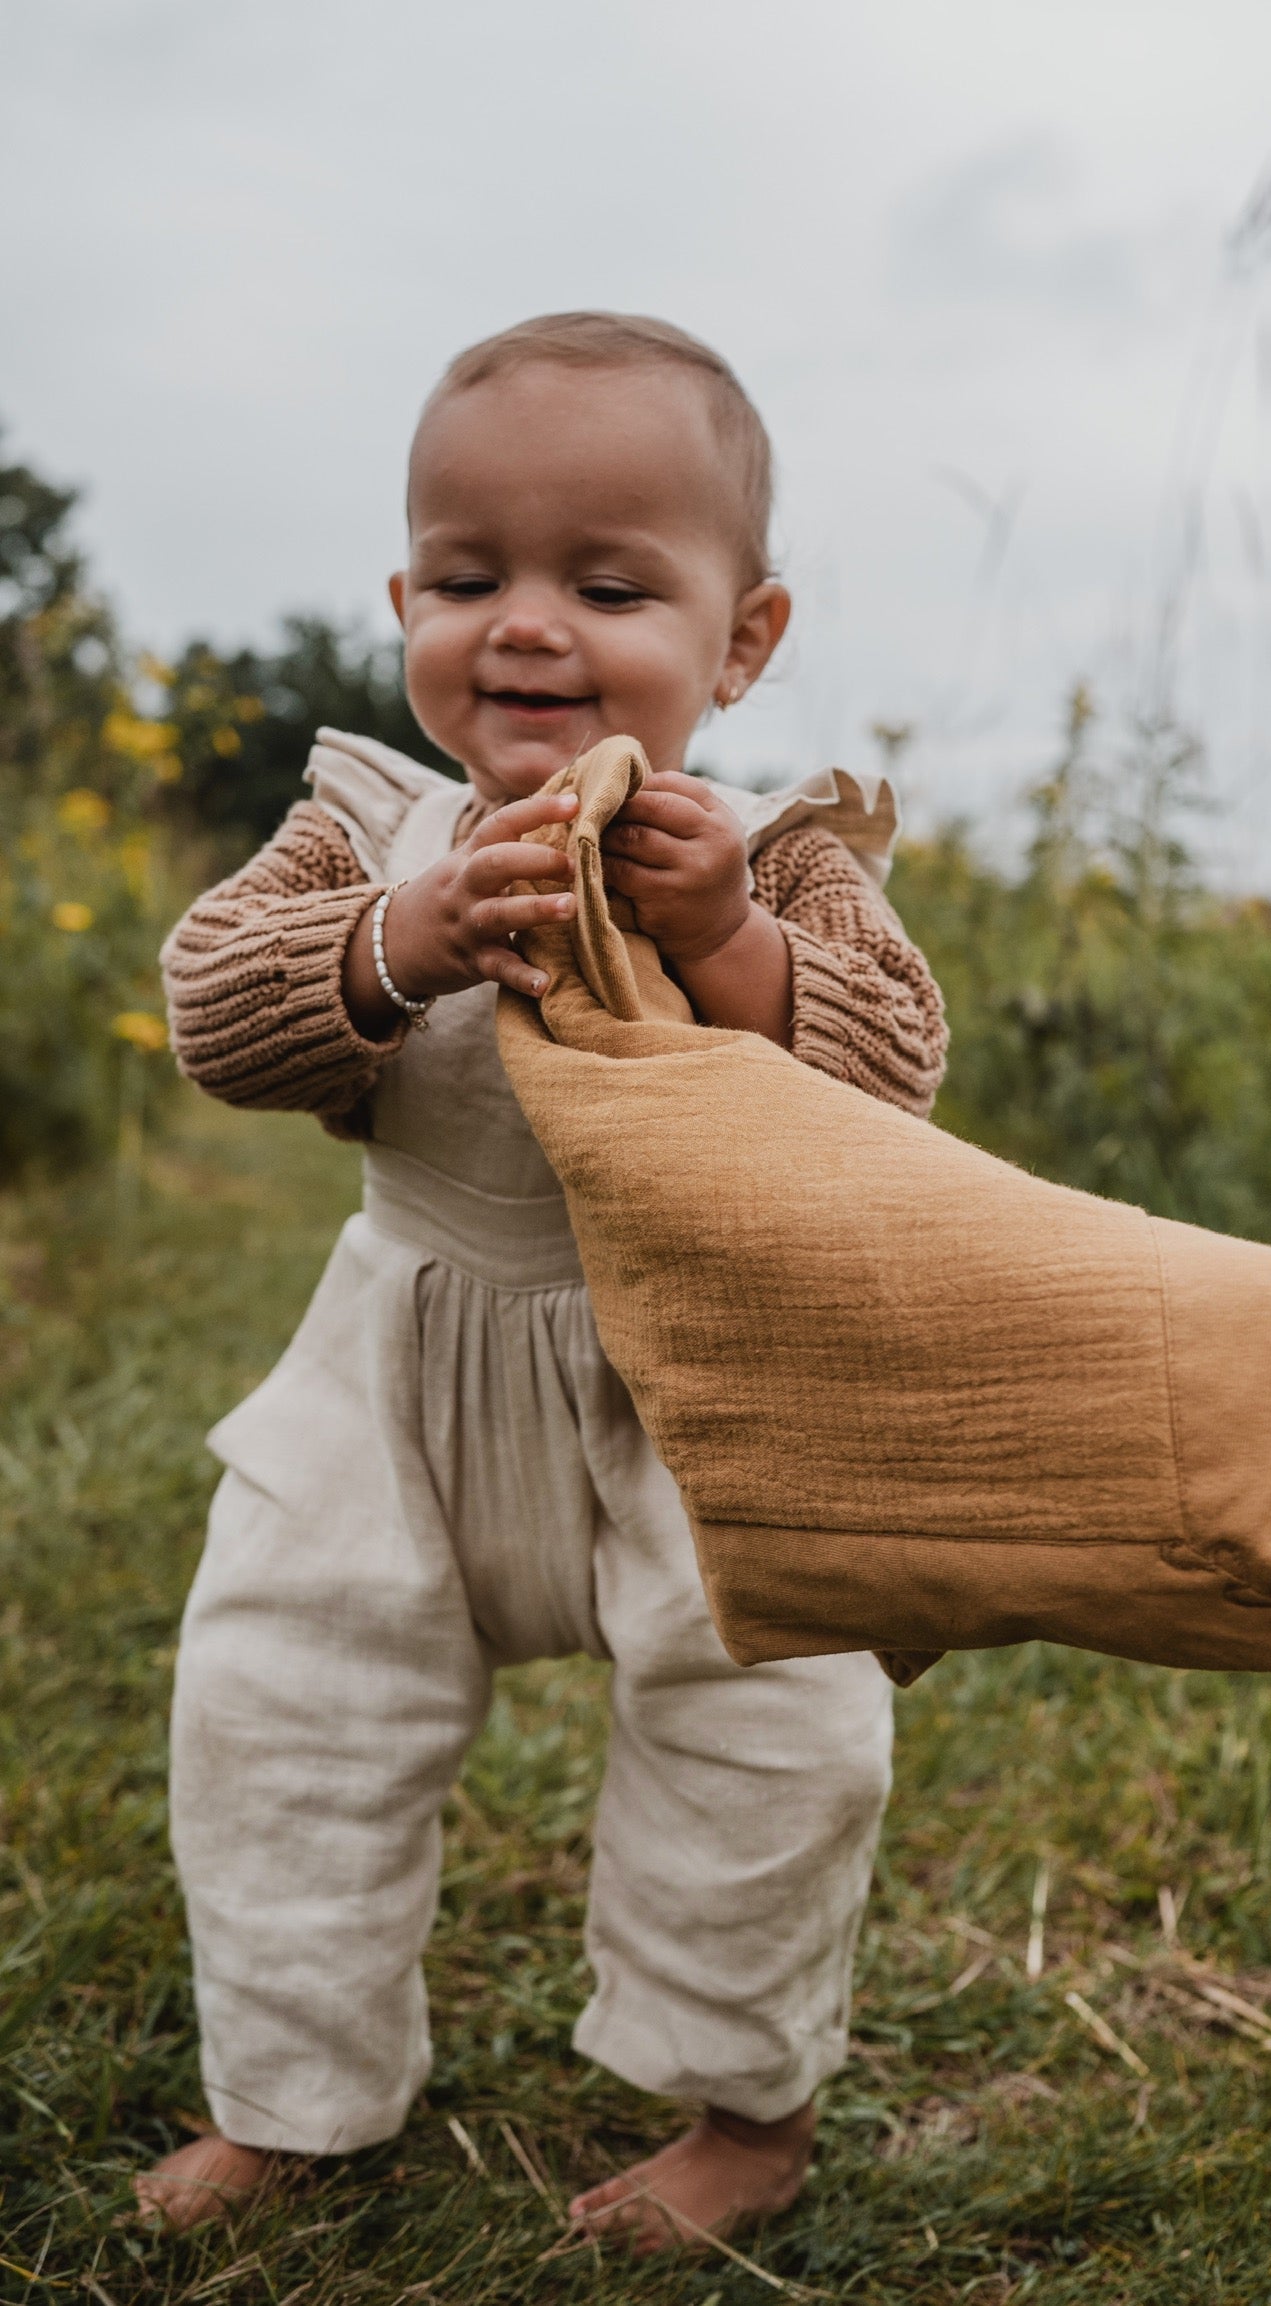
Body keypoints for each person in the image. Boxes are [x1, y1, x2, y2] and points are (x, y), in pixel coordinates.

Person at [144, 312, 947, 2250]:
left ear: (742, 640)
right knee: (278, 1698)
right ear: (403, 604)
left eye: (608, 585)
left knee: (775, 1730)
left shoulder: (773, 857)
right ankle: (294, 2091)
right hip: (397, 1364)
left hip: (693, 1389)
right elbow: (215, 1014)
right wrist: (398, 941)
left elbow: (895, 1070)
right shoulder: (364, 833)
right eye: (467, 576)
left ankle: (745, 2107)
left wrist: (728, 944)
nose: (524, 625)